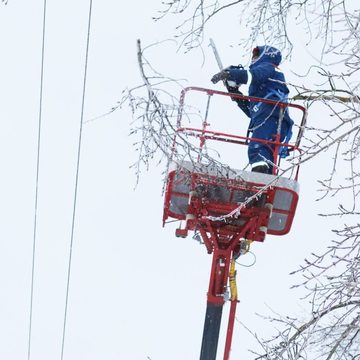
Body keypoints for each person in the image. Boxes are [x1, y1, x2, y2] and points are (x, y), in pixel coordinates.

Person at [211, 45, 293, 174]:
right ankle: (266, 181)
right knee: (267, 153)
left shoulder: (268, 67)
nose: (253, 59)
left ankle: (259, 177)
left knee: (258, 147)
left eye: (256, 56)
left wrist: (229, 74)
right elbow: (252, 111)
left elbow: (253, 76)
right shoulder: (263, 80)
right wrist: (235, 93)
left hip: (271, 118)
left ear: (265, 55)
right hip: (269, 118)